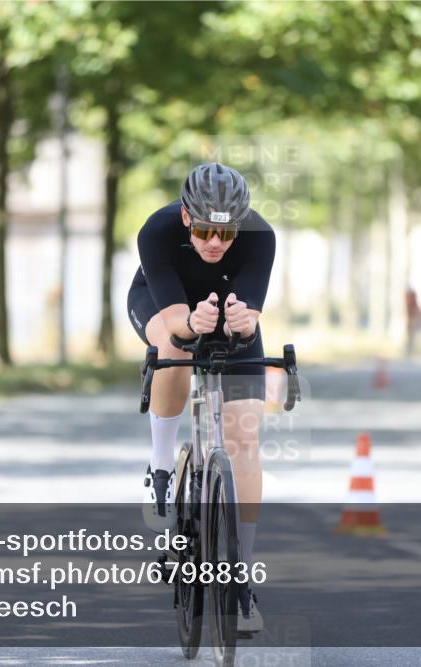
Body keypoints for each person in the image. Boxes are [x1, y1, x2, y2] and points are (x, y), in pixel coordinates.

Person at [127, 163, 274, 632]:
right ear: (187, 217)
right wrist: (192, 323)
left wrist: (243, 324)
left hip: (228, 315)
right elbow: (176, 323)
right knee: (174, 349)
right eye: (206, 230)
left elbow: (249, 318)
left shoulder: (261, 237)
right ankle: (161, 465)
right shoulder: (157, 231)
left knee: (244, 438)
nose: (215, 242)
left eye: (226, 233)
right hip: (165, 305)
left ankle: (240, 578)